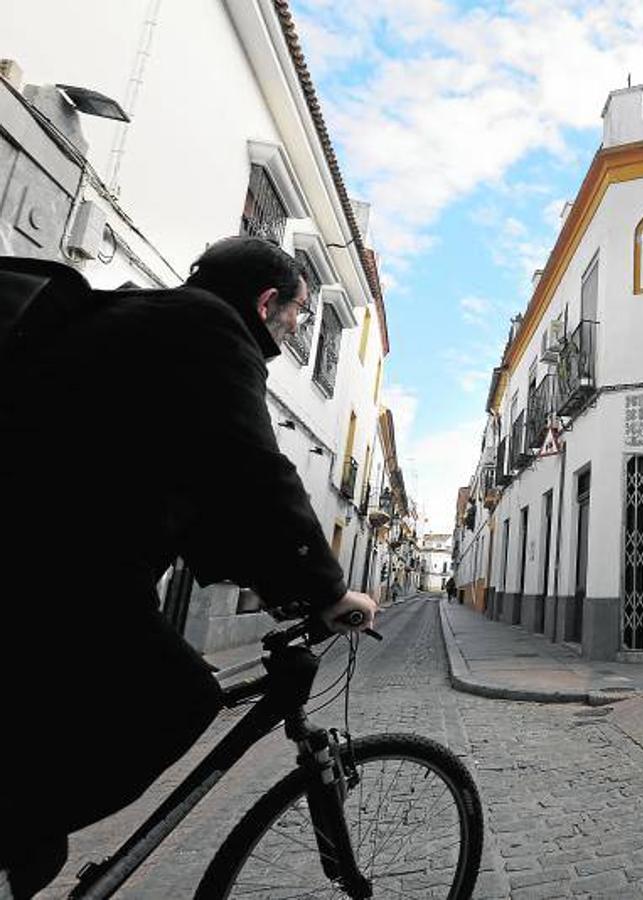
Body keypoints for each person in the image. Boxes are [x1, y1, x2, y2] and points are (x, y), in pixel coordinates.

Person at [0, 237, 377, 898]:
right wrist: (327, 589)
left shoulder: (145, 318)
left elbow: (203, 498)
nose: (294, 334)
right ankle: (18, 826)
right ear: (266, 302)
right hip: (52, 563)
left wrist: (273, 583)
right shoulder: (212, 334)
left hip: (47, 553)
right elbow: (255, 475)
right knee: (179, 699)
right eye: (296, 319)